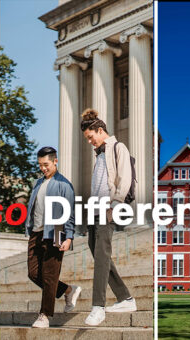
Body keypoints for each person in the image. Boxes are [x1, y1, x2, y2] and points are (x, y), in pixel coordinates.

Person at [80, 108, 137, 326]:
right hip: (95, 212)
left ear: (100, 130)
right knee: (98, 253)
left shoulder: (117, 147)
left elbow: (125, 178)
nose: (89, 142)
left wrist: (116, 206)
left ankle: (98, 307)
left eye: (90, 137)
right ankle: (125, 297)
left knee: (102, 255)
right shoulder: (100, 155)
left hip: (109, 210)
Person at [25, 146, 82, 328]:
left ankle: (44, 315)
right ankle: (68, 290)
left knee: (50, 276)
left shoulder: (64, 185)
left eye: (46, 164)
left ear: (55, 161)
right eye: (40, 165)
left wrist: (69, 237)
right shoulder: (37, 183)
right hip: (36, 232)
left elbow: (70, 214)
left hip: (56, 231)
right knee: (34, 273)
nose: (43, 168)